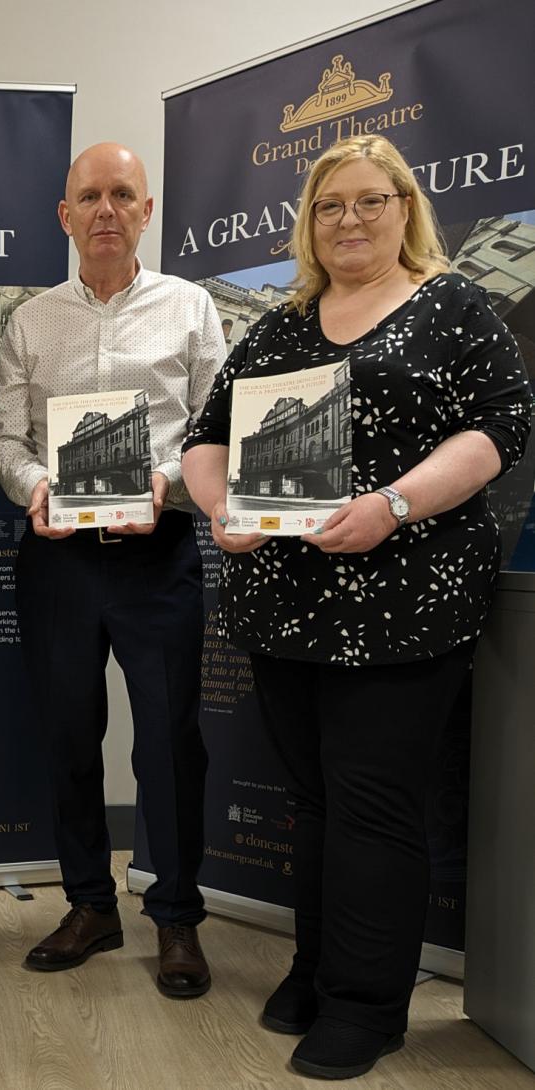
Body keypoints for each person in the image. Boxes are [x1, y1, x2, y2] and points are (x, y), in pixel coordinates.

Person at [182, 134, 532, 1080]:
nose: (350, 220)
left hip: (406, 600)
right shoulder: (282, 325)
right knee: (315, 802)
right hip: (284, 602)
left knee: (375, 807)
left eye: (370, 202)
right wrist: (222, 510)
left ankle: (369, 1005)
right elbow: (204, 440)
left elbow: (501, 427)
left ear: (405, 208)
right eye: (330, 205)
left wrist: (394, 504)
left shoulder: (454, 307)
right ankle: (319, 965)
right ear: (310, 221)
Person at [0, 143, 224, 997]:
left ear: (147, 210)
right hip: (58, 558)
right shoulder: (30, 320)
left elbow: (213, 430)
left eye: (122, 194)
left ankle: (177, 918)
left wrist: (165, 483)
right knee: (65, 737)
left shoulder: (192, 309)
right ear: (64, 215)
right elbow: (8, 437)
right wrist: (35, 488)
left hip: (156, 555)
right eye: (88, 196)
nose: (105, 210)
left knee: (169, 744)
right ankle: (89, 905)